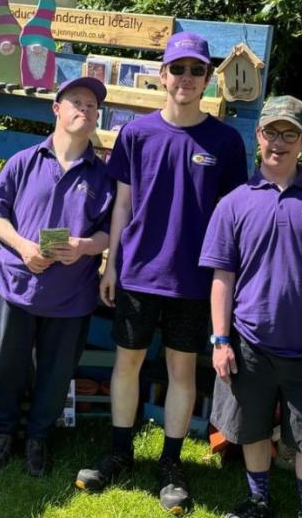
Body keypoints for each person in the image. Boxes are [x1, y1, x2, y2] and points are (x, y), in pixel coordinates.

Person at [75, 32, 248, 514]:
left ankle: (172, 464)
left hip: (194, 281)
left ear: (208, 79)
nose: (186, 79)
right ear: (162, 75)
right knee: (126, 364)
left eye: (196, 71)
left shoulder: (226, 141)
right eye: (178, 69)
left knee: (180, 372)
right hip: (136, 275)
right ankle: (120, 451)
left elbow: (233, 216)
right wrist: (111, 264)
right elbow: (123, 204)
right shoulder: (136, 134)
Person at [199, 96, 302, 518]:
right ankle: (259, 499)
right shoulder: (234, 203)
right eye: (272, 132)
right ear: (258, 136)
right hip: (249, 345)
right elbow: (222, 279)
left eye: (290, 134)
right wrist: (220, 340)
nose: (279, 142)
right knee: (251, 429)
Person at [0, 76, 115, 477]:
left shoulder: (102, 176)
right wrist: (23, 247)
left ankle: (38, 437)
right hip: (15, 284)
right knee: (8, 366)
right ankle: (2, 434)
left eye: (91, 106)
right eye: (76, 102)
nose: (84, 110)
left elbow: (111, 229)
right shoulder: (24, 161)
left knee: (57, 373)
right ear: (56, 108)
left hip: (70, 295)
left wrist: (88, 247)